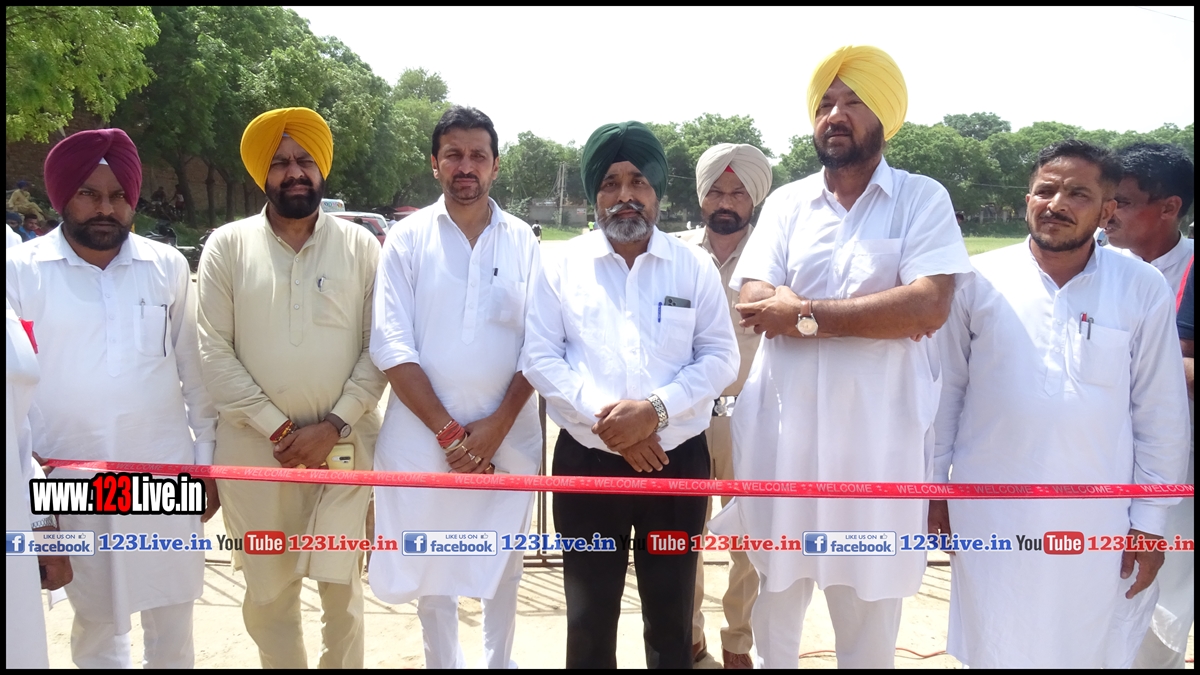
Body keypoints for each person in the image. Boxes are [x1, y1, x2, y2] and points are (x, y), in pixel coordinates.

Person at [708, 45, 972, 669]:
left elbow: (927, 306)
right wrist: (873, 313)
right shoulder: (789, 203)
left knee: (870, 615)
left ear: (885, 115)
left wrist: (803, 314)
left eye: (853, 102)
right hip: (786, 441)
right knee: (777, 603)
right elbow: (754, 301)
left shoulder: (921, 199)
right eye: (825, 103)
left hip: (877, 446)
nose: (835, 115)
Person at [929, 140, 1190, 668]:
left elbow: (1159, 412)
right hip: (990, 507)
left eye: (1078, 193)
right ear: (1027, 198)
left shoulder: (1140, 287)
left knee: (1087, 645)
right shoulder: (977, 280)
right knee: (996, 639)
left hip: (1099, 516)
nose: (1057, 203)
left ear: (1107, 209)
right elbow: (945, 392)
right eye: (1045, 190)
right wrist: (936, 489)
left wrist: (1150, 521)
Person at [522, 121, 739, 669]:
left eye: (638, 181)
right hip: (588, 465)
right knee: (588, 619)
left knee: (671, 620)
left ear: (657, 191)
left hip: (675, 464)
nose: (625, 195)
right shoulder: (560, 265)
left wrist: (654, 413)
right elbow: (539, 358)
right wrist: (614, 426)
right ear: (595, 195)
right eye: (610, 183)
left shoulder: (693, 267)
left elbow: (721, 357)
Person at [6, 128, 218, 668]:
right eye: (89, 193)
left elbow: (195, 377)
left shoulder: (166, 266)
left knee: (173, 615)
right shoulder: (21, 272)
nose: (106, 208)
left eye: (119, 195)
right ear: (62, 196)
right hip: (65, 481)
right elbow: (12, 399)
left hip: (164, 474)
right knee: (95, 623)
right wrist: (33, 507)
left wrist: (205, 467)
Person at [197, 107, 387, 669]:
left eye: (304, 159)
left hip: (344, 448)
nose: (294, 171)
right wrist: (278, 429)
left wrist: (333, 425)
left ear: (321, 167)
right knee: (267, 596)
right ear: (263, 173)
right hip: (256, 452)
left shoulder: (361, 247)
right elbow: (213, 351)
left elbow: (380, 348)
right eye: (279, 162)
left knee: (343, 591)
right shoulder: (227, 246)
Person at [368, 105, 541, 669]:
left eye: (478, 156)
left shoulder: (524, 241)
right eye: (454, 155)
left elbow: (540, 345)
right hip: (422, 437)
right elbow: (391, 345)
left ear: (495, 165)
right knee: (432, 566)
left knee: (505, 562)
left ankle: (498, 662)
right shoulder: (406, 239)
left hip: (508, 438)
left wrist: (495, 429)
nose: (466, 166)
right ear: (435, 164)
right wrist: (449, 434)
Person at [1099, 142, 1195, 669]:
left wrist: (1142, 360)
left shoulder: (1191, 269)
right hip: (1098, 459)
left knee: (1161, 597)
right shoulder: (1091, 264)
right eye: (1106, 199)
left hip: (1179, 470)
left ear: (1169, 207)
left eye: (1124, 201)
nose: (1108, 212)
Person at [678, 143, 772, 669]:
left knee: (750, 537)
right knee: (683, 534)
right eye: (716, 190)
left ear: (753, 198)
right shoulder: (676, 254)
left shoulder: (773, 257)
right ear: (702, 195)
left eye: (738, 192)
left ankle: (739, 641)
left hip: (750, 418)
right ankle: (688, 636)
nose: (726, 201)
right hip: (686, 418)